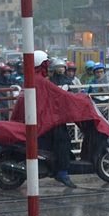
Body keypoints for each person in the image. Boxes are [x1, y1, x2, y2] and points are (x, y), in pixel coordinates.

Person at [32, 51, 76, 187]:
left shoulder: (37, 79)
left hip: (45, 116)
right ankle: (62, 172)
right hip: (50, 119)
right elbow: (61, 95)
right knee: (63, 141)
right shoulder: (42, 81)